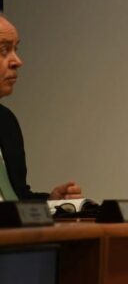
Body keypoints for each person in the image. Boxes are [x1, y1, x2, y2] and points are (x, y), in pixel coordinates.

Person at [0, 13, 82, 201]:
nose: (17, 61)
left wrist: (51, 203)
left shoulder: (6, 122)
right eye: (4, 50)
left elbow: (17, 197)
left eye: (15, 49)